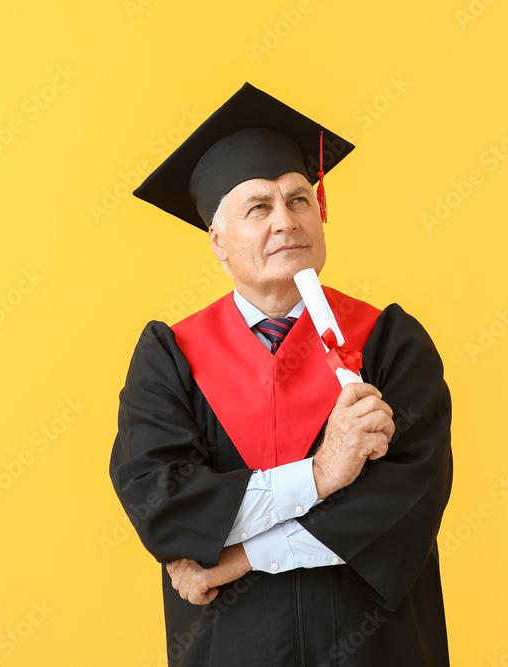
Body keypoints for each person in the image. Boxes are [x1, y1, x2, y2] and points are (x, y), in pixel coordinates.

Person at [109, 82, 453, 666]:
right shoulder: (171, 358)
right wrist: (320, 475)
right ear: (218, 241)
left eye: (298, 200)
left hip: (377, 649)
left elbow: (403, 505)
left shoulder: (390, 341)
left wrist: (239, 555)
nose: (287, 221)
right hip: (231, 649)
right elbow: (164, 509)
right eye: (258, 207)